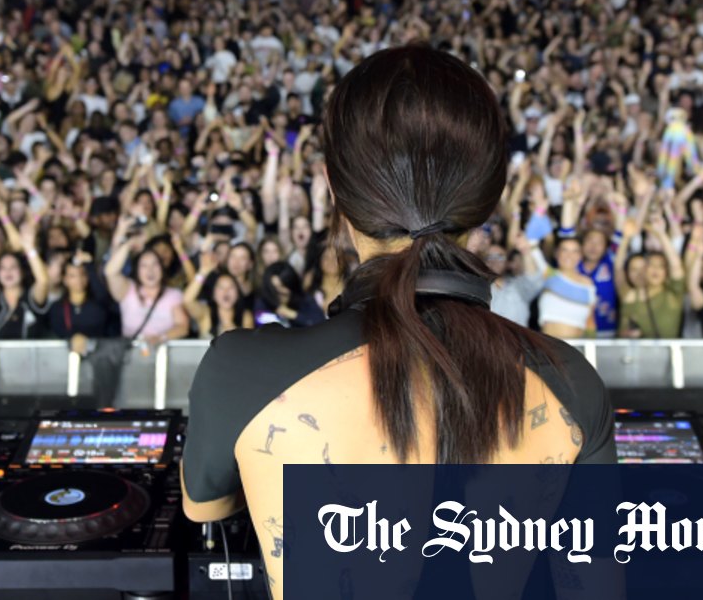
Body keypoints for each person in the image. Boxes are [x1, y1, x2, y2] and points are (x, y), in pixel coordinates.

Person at [181, 46, 615, 600]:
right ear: (491, 198)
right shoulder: (571, 381)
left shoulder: (238, 369)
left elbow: (204, 506)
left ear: (334, 191)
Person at [104, 216, 190, 347]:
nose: (150, 270)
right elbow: (110, 272)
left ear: (162, 268)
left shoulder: (173, 294)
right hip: (130, 357)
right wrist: (128, 244)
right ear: (137, 271)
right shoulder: (128, 290)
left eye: (155, 265)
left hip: (163, 356)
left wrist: (160, 338)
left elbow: (182, 326)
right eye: (144, 266)